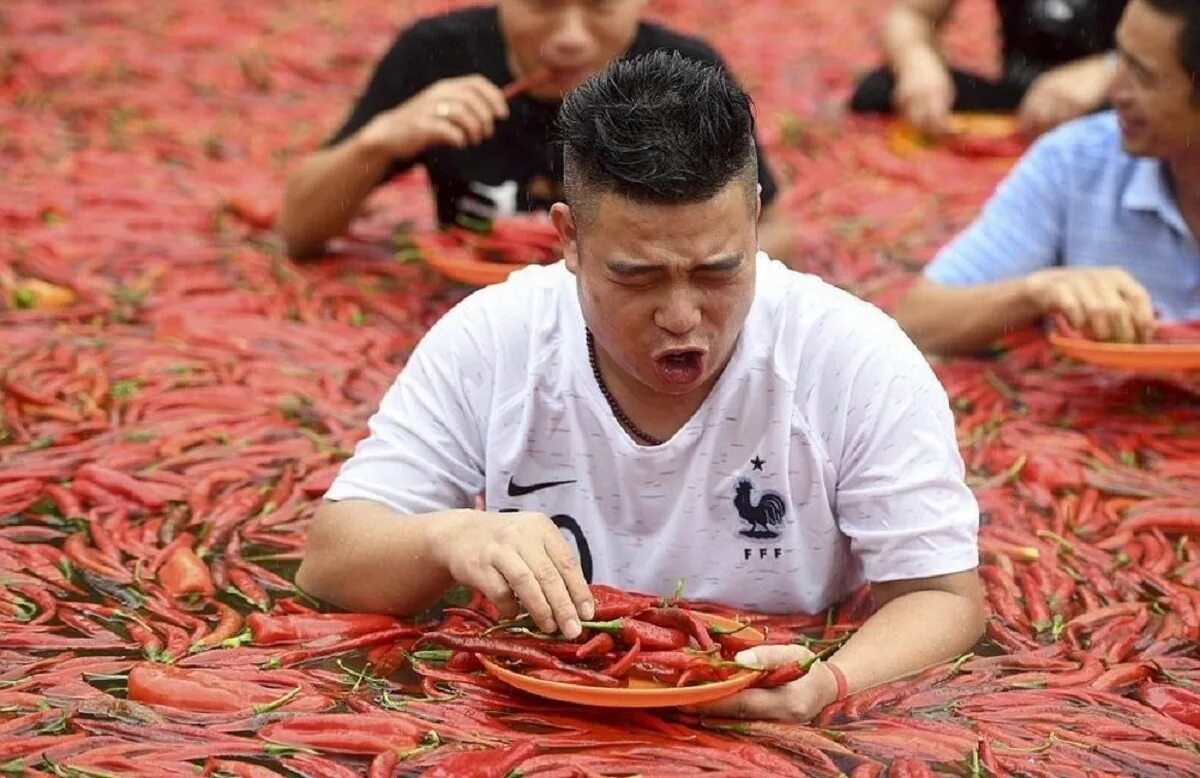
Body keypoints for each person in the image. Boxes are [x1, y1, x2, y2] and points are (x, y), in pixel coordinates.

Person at [298, 51, 984, 722]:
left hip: (765, 714)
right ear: (568, 238)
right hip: (546, 705)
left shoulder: (854, 358)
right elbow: (330, 563)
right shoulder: (495, 337)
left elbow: (943, 596)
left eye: (717, 271)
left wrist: (830, 683)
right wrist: (446, 539)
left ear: (753, 217)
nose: (682, 316)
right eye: (636, 275)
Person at [277, 0, 793, 262]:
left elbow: (770, 226)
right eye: (543, 4)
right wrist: (381, 138)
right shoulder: (437, 55)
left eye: (600, 5)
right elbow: (299, 232)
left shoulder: (681, 72)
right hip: (463, 300)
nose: (569, 38)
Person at [894, 0, 1200, 356]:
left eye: (1143, 75)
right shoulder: (1077, 160)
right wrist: (1039, 291)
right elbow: (917, 321)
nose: (1114, 90)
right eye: (1118, 58)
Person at [851, 0, 1128, 137]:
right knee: (879, 90)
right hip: (1020, 101)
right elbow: (910, 14)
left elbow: (1169, 49)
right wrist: (917, 62)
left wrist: (1108, 68)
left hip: (1118, 101)